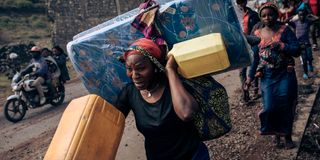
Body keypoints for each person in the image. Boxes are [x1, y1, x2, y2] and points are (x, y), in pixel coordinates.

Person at [116, 38, 210, 160]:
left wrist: (170, 71)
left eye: (140, 68)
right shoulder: (129, 93)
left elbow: (187, 113)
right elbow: (109, 122)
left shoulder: (174, 84)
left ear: (155, 66)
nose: (134, 75)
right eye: (129, 69)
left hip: (192, 156)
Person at [245, 2, 300, 149]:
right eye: (264, 15)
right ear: (260, 18)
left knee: (286, 106)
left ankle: (287, 136)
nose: (267, 18)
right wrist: (250, 78)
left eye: (270, 14)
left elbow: (297, 50)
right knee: (270, 107)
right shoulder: (256, 35)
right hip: (267, 76)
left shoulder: (285, 30)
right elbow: (255, 58)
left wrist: (283, 46)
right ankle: (276, 133)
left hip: (285, 74)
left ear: (276, 15)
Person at [236, 0, 261, 103]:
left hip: (251, 43)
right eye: (239, 2)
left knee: (253, 66)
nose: (241, 4)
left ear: (246, 2)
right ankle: (245, 93)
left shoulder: (253, 15)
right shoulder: (232, 14)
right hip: (240, 45)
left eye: (243, 1)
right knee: (242, 71)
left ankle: (255, 90)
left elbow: (258, 29)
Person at [292, 8, 315, 79]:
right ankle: (305, 73)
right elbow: (287, 21)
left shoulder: (308, 21)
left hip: (307, 43)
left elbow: (316, 19)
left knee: (310, 57)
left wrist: (310, 15)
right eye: (300, 15)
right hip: (300, 45)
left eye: (303, 15)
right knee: (304, 60)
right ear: (298, 16)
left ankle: (310, 64)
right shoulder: (295, 22)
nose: (301, 17)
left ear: (305, 15)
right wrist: (292, 17)